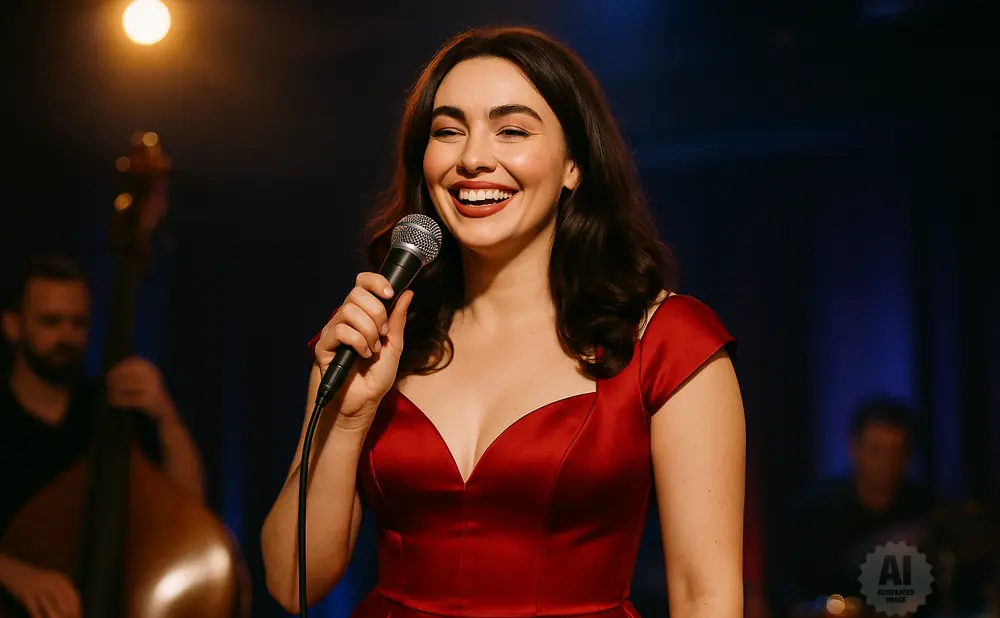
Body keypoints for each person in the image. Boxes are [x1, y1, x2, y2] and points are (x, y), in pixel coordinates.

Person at [261, 26, 746, 618]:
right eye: (447, 131)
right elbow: (291, 584)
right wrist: (347, 419)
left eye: (511, 130)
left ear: (574, 166)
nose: (472, 159)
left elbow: (705, 595)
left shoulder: (669, 342)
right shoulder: (369, 336)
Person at [0, 255, 205, 618]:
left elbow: (188, 510)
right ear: (12, 325)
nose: (66, 336)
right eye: (50, 322)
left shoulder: (111, 409)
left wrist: (165, 415)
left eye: (78, 323)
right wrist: (13, 573)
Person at [771, 397, 935, 617]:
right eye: (876, 450)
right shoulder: (816, 512)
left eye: (896, 451)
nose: (886, 462)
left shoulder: (926, 511)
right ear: (854, 447)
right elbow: (786, 586)